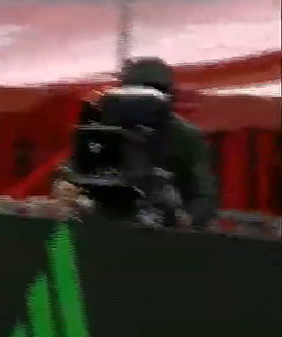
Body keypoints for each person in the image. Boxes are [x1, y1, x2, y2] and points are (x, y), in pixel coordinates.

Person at [54, 57, 219, 230]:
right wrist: (65, 187)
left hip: (161, 228)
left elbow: (204, 196)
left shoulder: (185, 136)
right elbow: (74, 169)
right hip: (102, 223)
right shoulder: (105, 129)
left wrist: (186, 221)